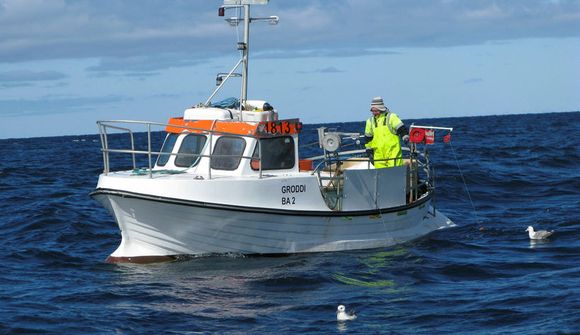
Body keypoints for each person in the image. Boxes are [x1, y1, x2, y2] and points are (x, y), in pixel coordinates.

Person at [364, 96, 409, 168]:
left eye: (376, 110)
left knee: (394, 174)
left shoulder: (391, 117)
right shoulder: (370, 121)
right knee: (381, 176)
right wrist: (369, 151)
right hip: (378, 156)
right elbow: (368, 139)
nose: (374, 112)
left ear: (381, 108)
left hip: (393, 154)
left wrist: (406, 138)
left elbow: (402, 129)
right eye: (373, 111)